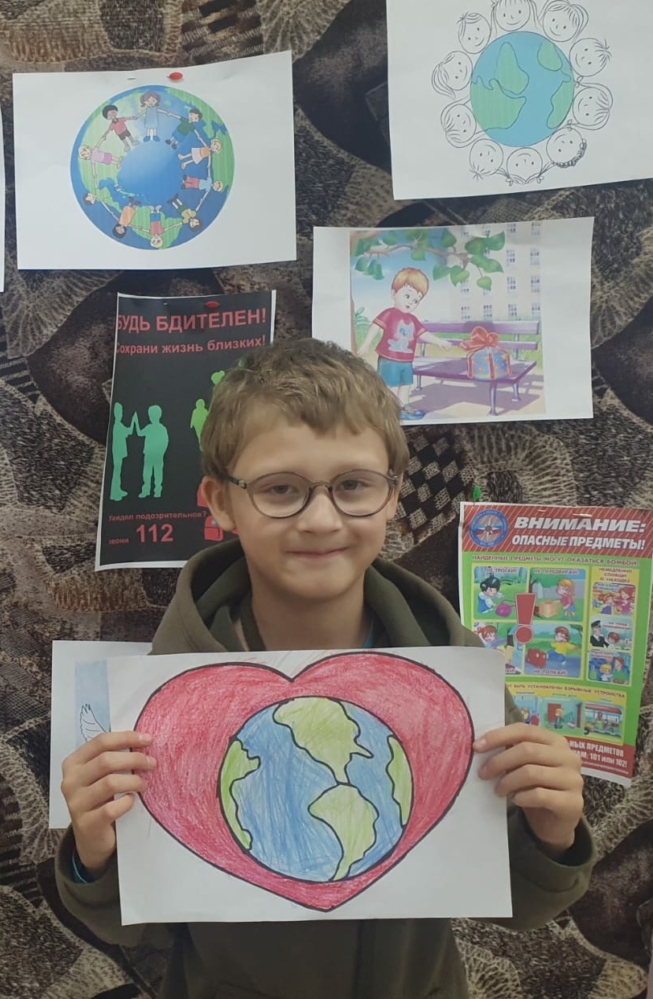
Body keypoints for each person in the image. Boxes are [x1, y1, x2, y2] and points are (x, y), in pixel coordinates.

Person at [57, 338, 592, 999]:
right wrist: (94, 853)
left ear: (394, 495)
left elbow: (519, 904)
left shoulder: (454, 676)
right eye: (280, 489)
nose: (320, 518)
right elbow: (135, 924)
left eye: (353, 485)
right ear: (220, 502)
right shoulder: (160, 704)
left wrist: (552, 833)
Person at [356, 268, 455, 421]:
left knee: (406, 384)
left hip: (406, 361)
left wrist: (438, 341)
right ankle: (386, 409)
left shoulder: (413, 320)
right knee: (389, 385)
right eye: (407, 296)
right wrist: (366, 344)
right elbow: (375, 327)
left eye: (416, 300)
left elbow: (423, 334)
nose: (410, 302)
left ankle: (404, 407)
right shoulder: (389, 313)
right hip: (389, 359)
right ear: (393, 294)